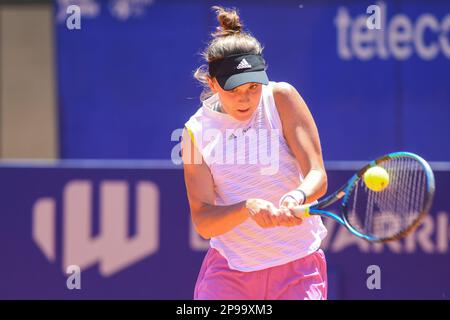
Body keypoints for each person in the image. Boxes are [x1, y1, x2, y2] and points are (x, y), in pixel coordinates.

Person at [181, 6, 328, 300]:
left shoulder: (281, 97)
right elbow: (203, 221)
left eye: (252, 86)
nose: (245, 98)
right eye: (234, 89)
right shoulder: (194, 133)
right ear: (212, 84)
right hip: (229, 275)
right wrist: (247, 208)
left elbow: (317, 175)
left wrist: (297, 196)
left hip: (298, 268)